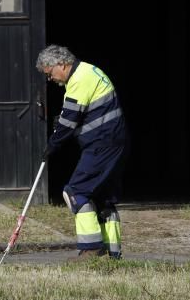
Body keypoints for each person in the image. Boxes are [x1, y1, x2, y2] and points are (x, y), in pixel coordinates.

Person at [37, 44, 127, 260]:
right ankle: (112, 254)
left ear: (61, 64)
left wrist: (53, 144)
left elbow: (68, 120)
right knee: (103, 198)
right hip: (114, 142)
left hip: (101, 144)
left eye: (50, 74)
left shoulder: (78, 80)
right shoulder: (90, 70)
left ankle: (91, 249)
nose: (51, 80)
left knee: (76, 192)